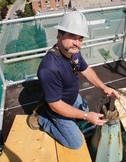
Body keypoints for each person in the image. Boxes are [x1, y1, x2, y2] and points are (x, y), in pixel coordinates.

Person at [28, 11, 120, 150]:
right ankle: (43, 119)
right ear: (59, 35)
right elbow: (55, 105)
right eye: (72, 37)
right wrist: (86, 115)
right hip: (57, 106)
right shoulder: (49, 68)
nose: (77, 43)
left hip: (72, 97)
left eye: (80, 38)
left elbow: (86, 70)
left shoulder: (73, 52)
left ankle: (74, 115)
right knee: (75, 143)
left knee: (86, 113)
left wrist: (103, 88)